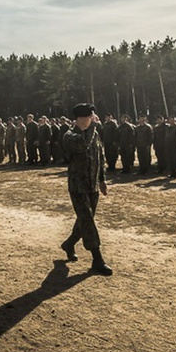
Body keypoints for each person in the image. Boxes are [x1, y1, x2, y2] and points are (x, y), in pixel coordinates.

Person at [60, 103, 112, 276]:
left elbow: (100, 156)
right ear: (81, 119)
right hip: (78, 186)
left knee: (84, 221)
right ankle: (97, 259)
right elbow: (83, 145)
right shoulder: (70, 135)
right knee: (87, 220)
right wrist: (92, 128)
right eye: (91, 117)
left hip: (92, 185)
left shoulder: (94, 134)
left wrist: (102, 180)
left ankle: (69, 243)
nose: (94, 120)